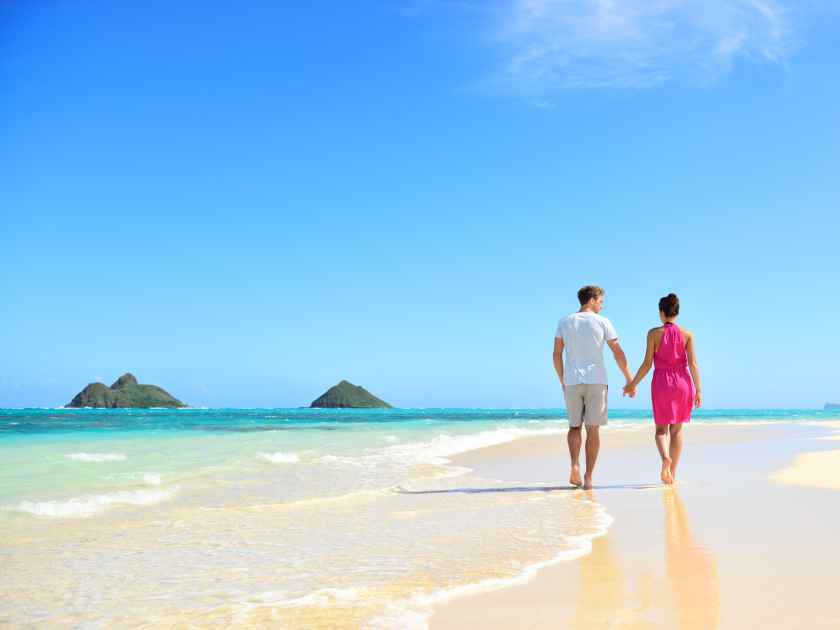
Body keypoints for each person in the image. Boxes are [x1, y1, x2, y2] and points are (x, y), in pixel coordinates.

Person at [553, 285, 633, 489]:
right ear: (591, 300)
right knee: (593, 430)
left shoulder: (565, 321)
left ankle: (574, 465)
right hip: (597, 380)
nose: (602, 306)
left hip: (572, 380)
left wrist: (562, 379)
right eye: (600, 301)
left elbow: (556, 354)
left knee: (574, 427)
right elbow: (617, 351)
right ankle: (588, 478)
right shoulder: (603, 322)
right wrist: (629, 378)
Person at [624, 293, 702, 484]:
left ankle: (665, 458)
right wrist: (698, 390)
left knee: (661, 430)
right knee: (677, 431)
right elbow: (693, 364)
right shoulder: (688, 335)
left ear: (661, 312)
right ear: (677, 312)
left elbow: (646, 364)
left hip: (661, 383)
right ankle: (672, 473)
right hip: (683, 384)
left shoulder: (653, 333)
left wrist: (632, 384)